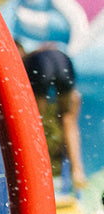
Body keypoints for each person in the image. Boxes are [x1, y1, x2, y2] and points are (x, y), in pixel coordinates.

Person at [22, 44, 87, 191]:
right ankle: (77, 171)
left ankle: (36, 171)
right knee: (69, 120)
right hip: (64, 64)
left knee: (36, 123)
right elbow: (75, 101)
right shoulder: (56, 49)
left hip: (40, 66)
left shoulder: (26, 58)